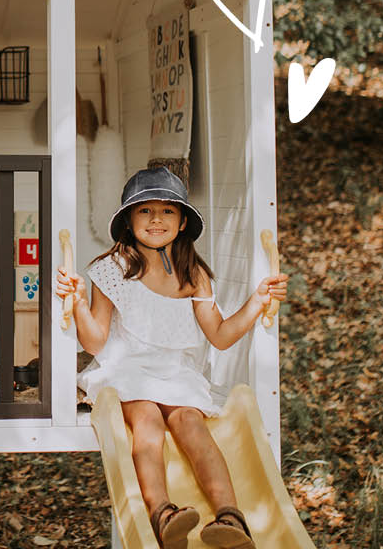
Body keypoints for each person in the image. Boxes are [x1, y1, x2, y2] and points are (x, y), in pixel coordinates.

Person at [56, 167, 287, 549]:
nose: (157, 219)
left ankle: (231, 518)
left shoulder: (193, 274)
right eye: (145, 211)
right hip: (126, 371)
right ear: (129, 222)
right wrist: (78, 302)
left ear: (182, 224)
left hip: (176, 373)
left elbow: (220, 335)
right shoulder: (110, 270)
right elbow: (95, 343)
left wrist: (256, 302)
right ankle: (163, 515)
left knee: (190, 424)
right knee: (147, 422)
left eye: (168, 211)